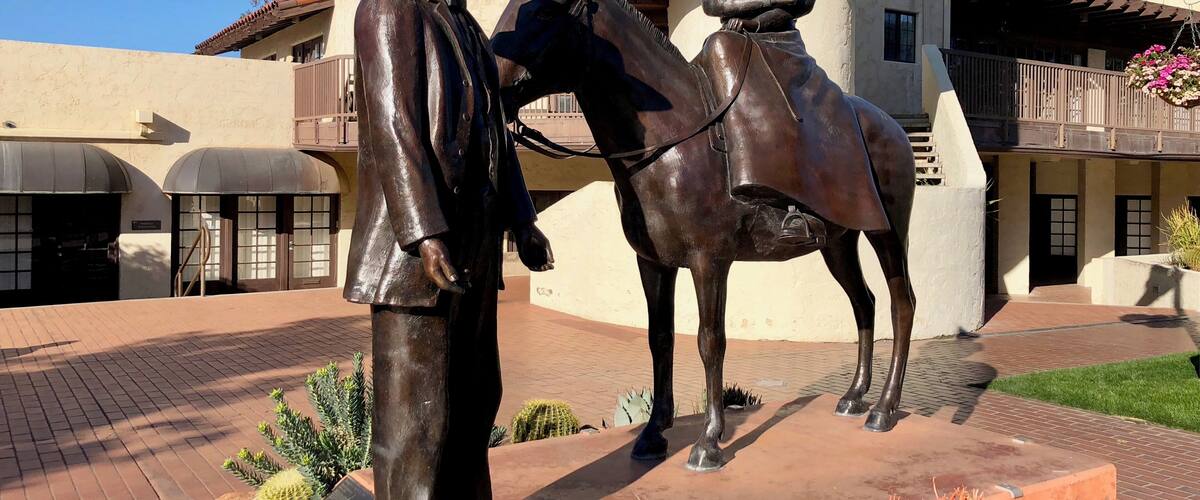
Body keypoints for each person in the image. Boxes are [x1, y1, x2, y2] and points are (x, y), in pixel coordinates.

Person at [345, 0, 554, 497]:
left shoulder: (469, 29)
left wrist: (523, 219)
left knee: (476, 398)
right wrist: (425, 233)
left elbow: (496, 136)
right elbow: (395, 125)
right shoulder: (389, 8)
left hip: (475, 244)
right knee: (416, 420)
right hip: (414, 257)